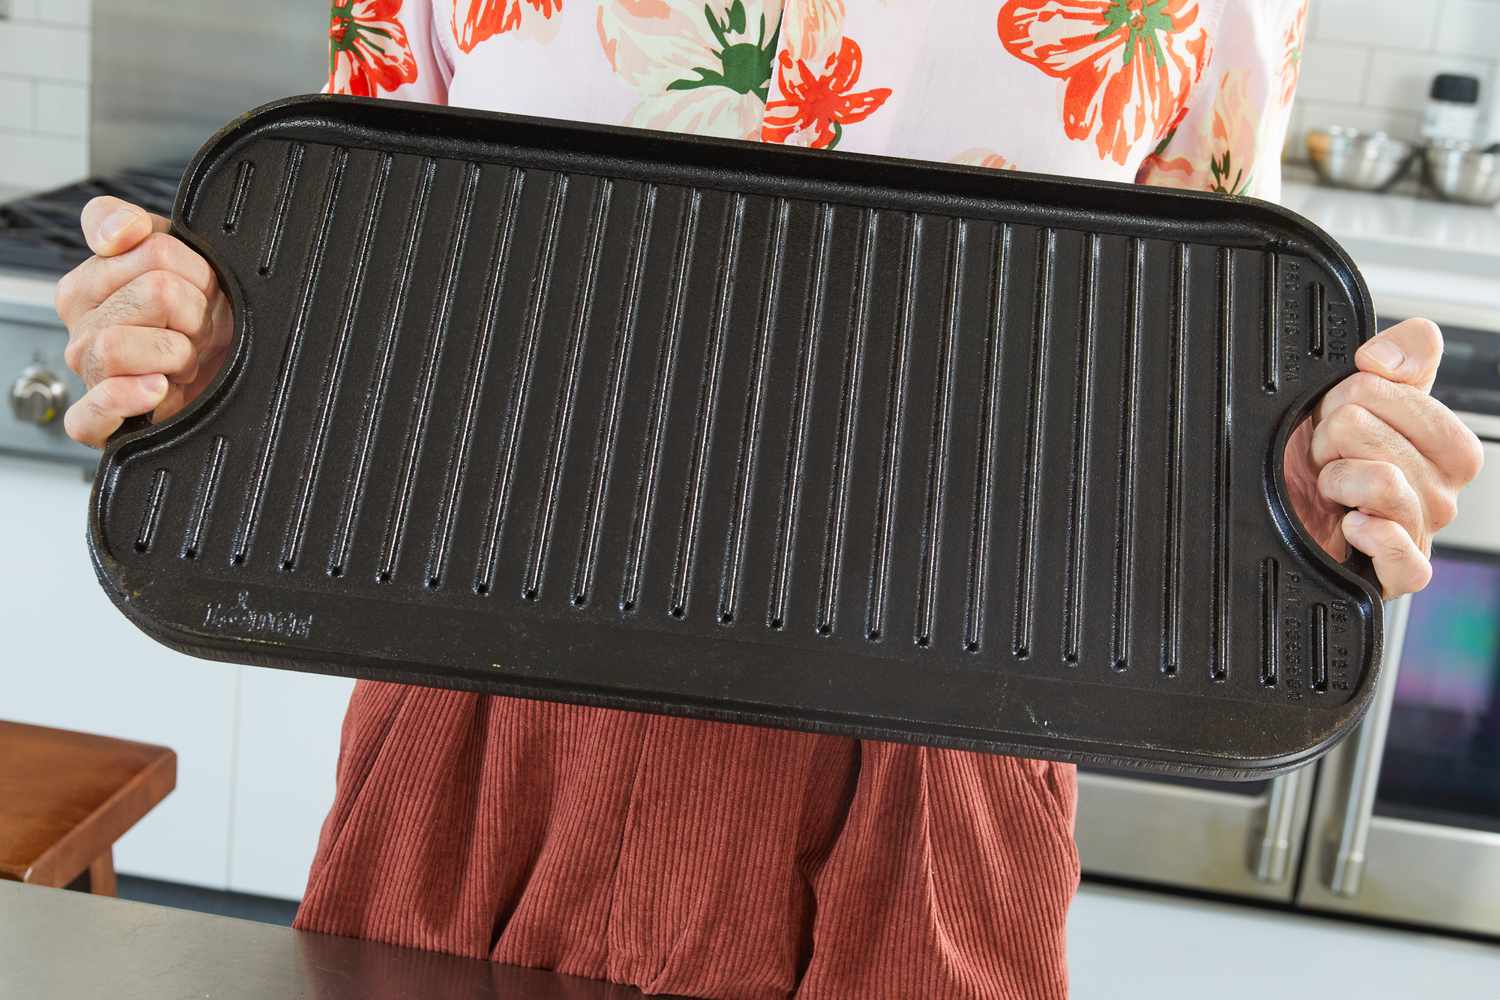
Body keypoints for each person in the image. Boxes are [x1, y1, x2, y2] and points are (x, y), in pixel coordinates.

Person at [54, 2, 1483, 997]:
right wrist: (218, 360)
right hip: (491, 724)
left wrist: (1280, 494)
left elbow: (1168, 370)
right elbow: (378, 302)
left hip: (932, 781)